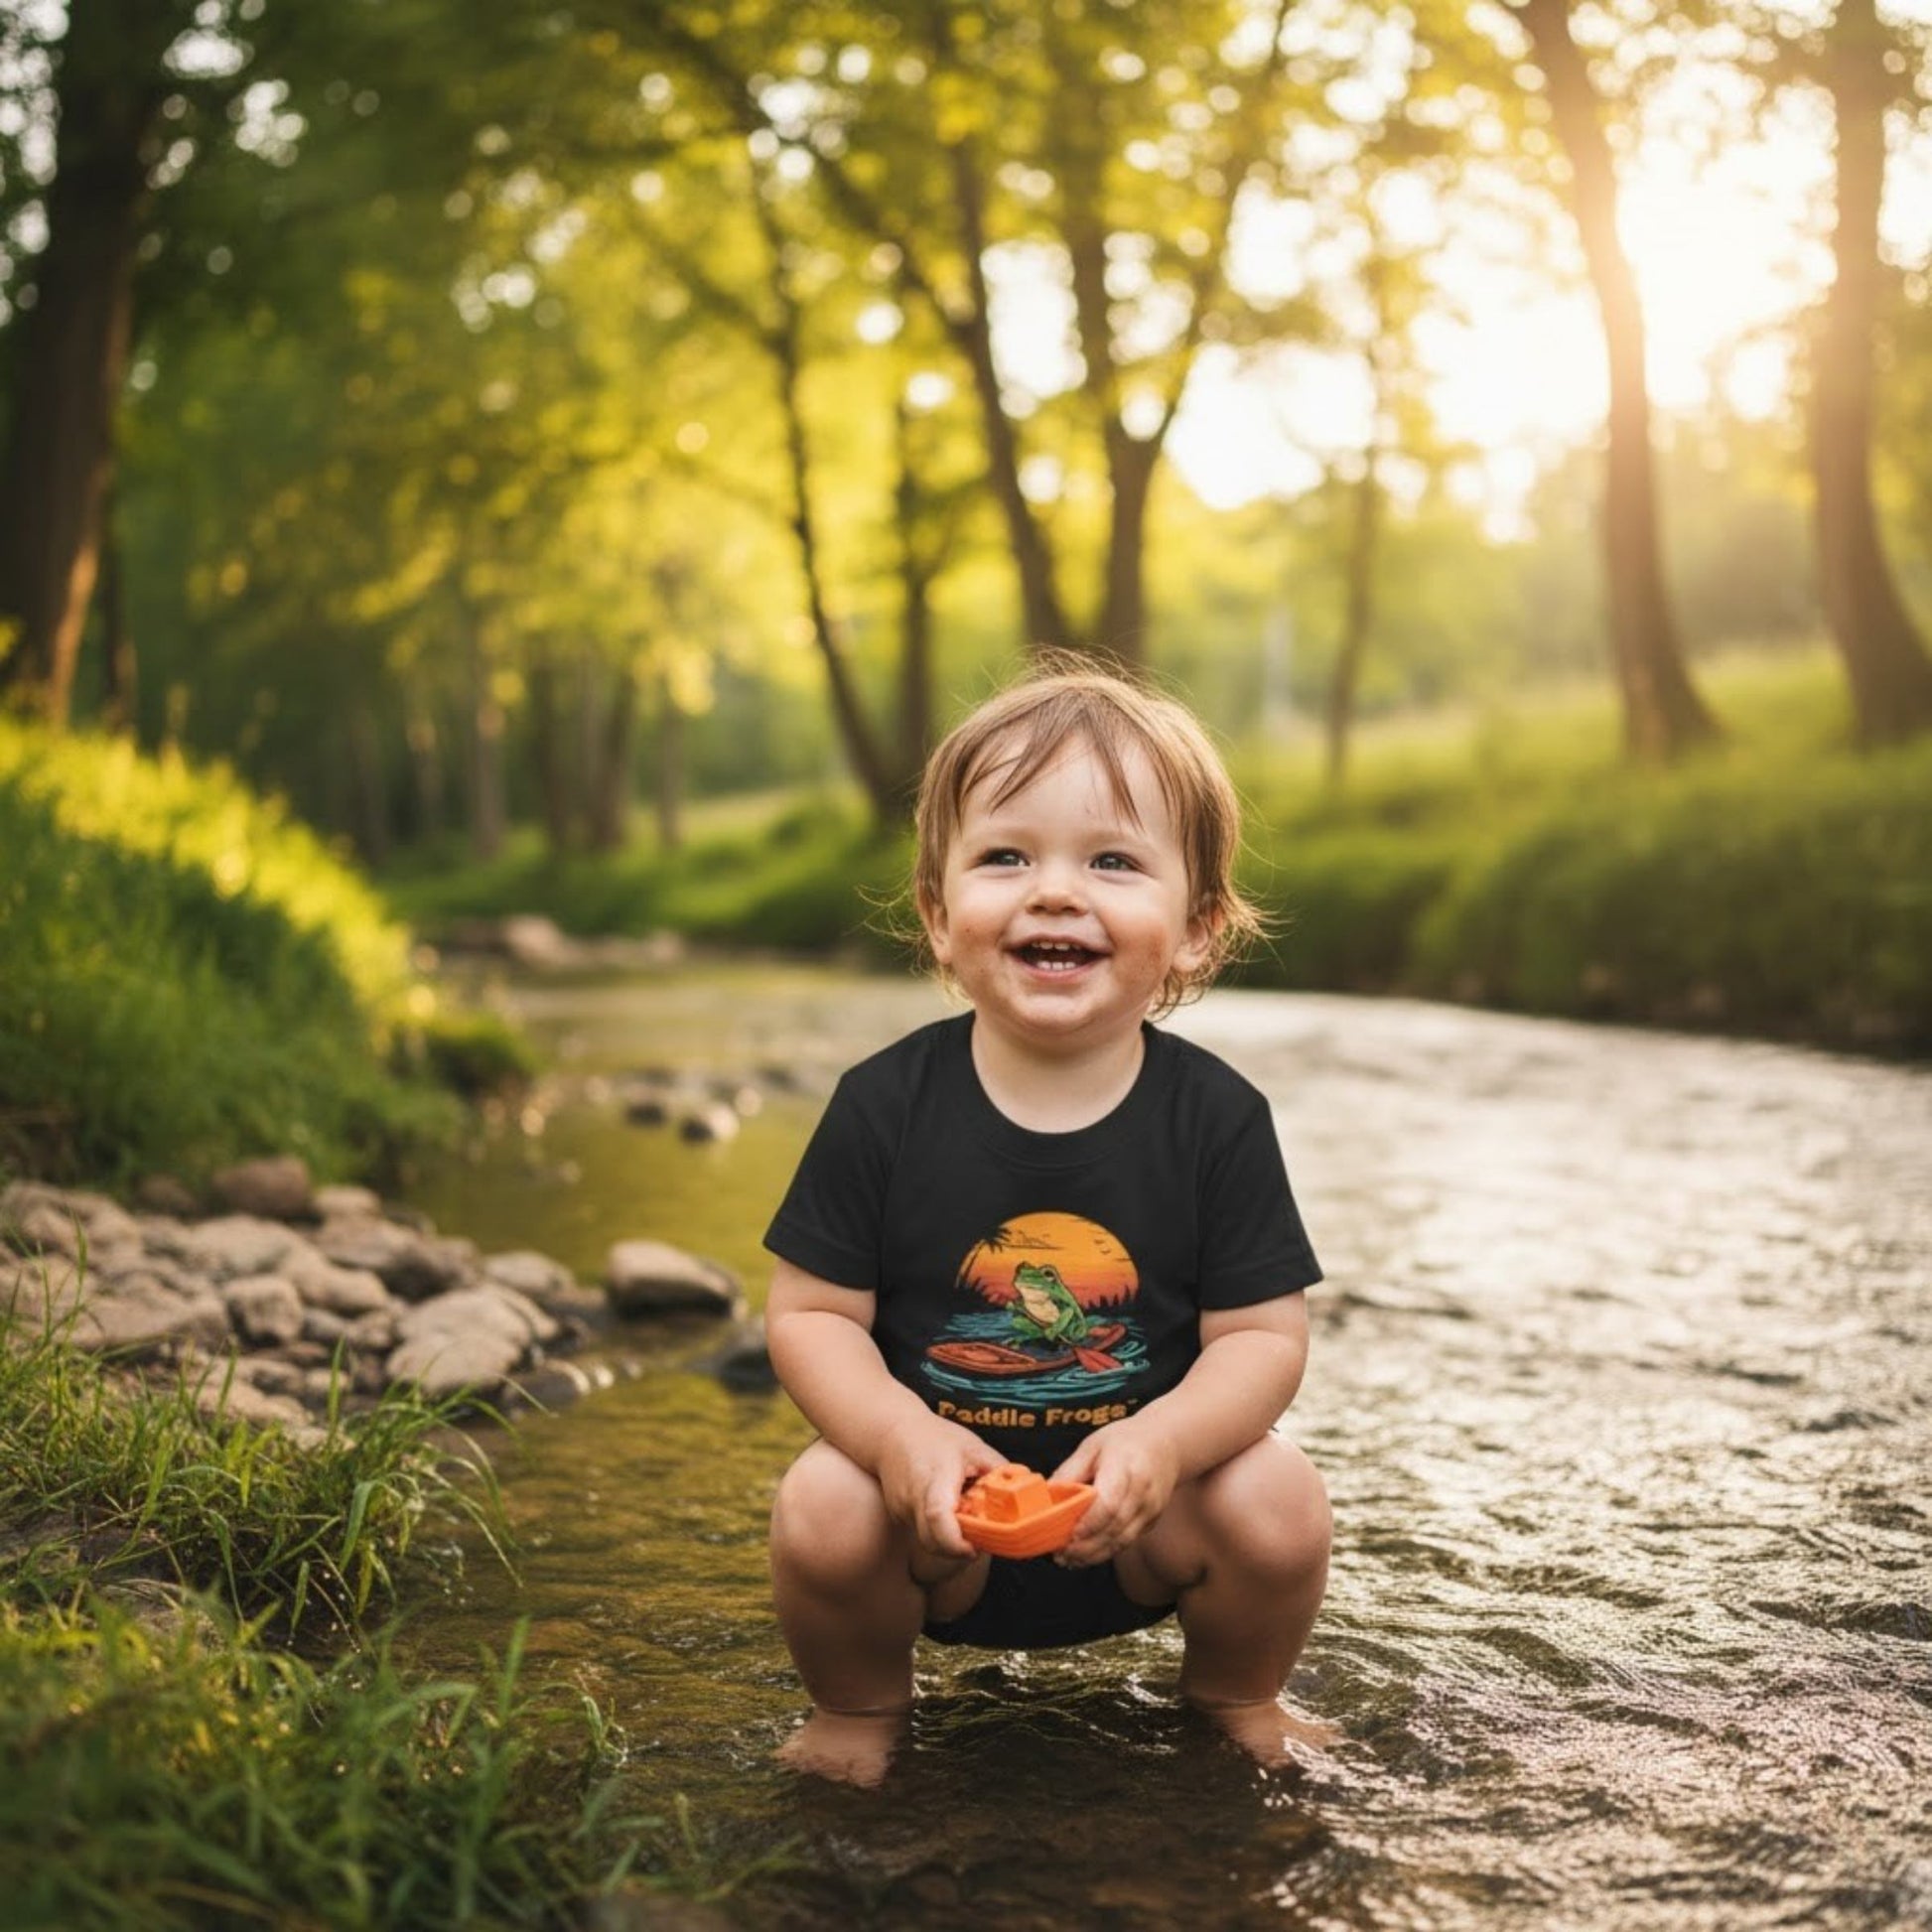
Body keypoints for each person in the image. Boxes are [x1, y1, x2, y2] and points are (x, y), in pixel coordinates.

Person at [763, 665, 1331, 1786]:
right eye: (1005, 856)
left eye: (1111, 861)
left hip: (1143, 1521)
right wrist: (897, 1439)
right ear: (939, 915)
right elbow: (809, 1315)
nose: (1055, 893)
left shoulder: (1216, 1119)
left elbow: (1263, 1337)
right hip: (933, 1526)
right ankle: (858, 1708)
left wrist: (1165, 1443)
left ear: (1196, 928)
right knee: (821, 1501)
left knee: (1279, 1498)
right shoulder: (882, 1106)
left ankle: (1237, 1694)